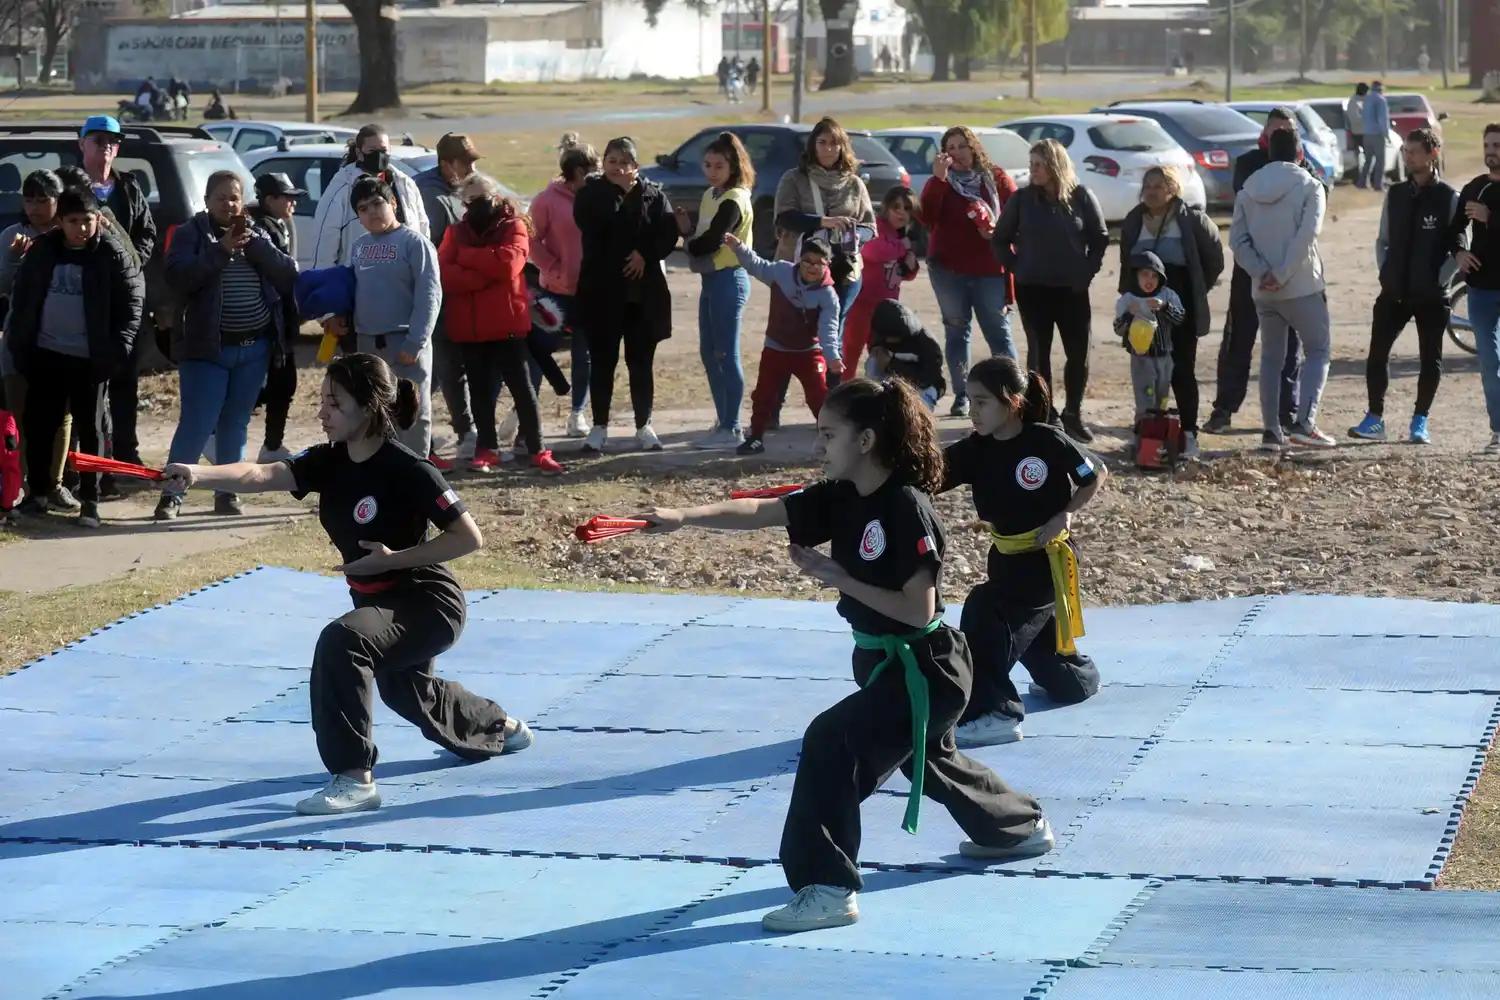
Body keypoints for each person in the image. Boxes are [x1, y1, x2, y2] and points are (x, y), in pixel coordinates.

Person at [632, 377, 1055, 932]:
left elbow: (915, 609)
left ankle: (827, 888)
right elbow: (762, 512)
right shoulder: (841, 496)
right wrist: (684, 517)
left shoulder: (906, 508)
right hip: (884, 660)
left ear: (866, 440)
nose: (819, 447)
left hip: (924, 666)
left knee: (831, 744)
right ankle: (1018, 827)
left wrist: (838, 576)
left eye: (828, 435)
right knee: (926, 756)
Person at [159, 353, 533, 816]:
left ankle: (355, 779)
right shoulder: (329, 461)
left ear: (371, 405)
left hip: (427, 604)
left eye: (334, 403)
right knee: (407, 691)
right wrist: (196, 473)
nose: (322, 412)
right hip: (377, 602)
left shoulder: (408, 468)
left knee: (342, 641)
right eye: (322, 401)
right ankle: (500, 725)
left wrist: (396, 560)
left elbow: (468, 537)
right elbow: (262, 473)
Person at [940, 356, 1104, 747]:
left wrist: (1065, 514)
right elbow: (927, 473)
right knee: (1051, 666)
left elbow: (1094, 474)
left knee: (985, 613)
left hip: (1044, 563)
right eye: (970, 400)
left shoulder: (1046, 441)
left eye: (982, 402)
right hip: (1006, 557)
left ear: (1011, 402)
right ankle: (1079, 680)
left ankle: (999, 714)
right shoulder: (974, 451)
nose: (973, 411)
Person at [157, 171, 299, 521]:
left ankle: (229, 492)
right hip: (207, 349)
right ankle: (172, 495)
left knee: (235, 423)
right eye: (220, 197)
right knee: (197, 423)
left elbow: (288, 274)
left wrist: (259, 247)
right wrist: (221, 251)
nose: (228, 203)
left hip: (253, 349)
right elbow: (179, 277)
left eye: (234, 197)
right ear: (206, 201)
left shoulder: (258, 232)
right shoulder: (191, 234)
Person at [6, 187, 144, 529]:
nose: (82, 228)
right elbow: (21, 300)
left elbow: (132, 305)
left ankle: (91, 501)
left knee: (91, 431)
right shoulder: (43, 252)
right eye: (73, 221)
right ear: (61, 222)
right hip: (46, 355)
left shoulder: (112, 254)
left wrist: (115, 352)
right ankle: (38, 494)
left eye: (87, 220)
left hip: (90, 360)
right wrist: (20, 346)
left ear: (98, 219)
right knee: (40, 427)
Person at [438, 173, 564, 475]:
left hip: (507, 324)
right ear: (464, 204)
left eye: (483, 198)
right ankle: (487, 449)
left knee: (522, 389)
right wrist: (485, 272)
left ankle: (538, 449)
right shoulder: (455, 232)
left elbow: (509, 265)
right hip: (470, 328)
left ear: (496, 197)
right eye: (471, 201)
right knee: (481, 392)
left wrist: (467, 258)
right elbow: (444, 273)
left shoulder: (515, 226)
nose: (478, 206)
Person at [990, 139, 1108, 442]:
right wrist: (1018, 267)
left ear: (1056, 164)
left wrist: (1087, 271)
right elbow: (1000, 240)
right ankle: (1046, 415)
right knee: (1039, 357)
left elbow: (1099, 237)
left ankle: (1073, 414)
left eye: (1039, 164)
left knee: (1078, 354)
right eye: (1032, 165)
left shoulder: (1081, 197)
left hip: (1072, 289)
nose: (1034, 170)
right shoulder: (1023, 200)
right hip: (1034, 290)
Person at [1350, 128, 1462, 446]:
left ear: (1432, 154)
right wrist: (1385, 272)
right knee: (1376, 356)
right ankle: (1374, 419)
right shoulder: (1395, 194)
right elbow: (1382, 240)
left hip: (1430, 296)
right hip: (1394, 292)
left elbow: (1458, 246)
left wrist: (1439, 280)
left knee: (1431, 361)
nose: (1408, 157)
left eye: (1414, 151)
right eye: (1405, 151)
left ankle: (1419, 421)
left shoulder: (1448, 198)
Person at [1205, 109, 1311, 435]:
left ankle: (1285, 411)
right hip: (1249, 269)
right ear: (1264, 134)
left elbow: (1319, 200)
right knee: (1239, 340)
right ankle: (1224, 409)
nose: (1279, 135)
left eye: (1286, 131)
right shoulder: (1249, 162)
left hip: (1290, 272)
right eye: (1275, 130)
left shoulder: (1305, 169)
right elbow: (1245, 199)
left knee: (1288, 345)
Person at [1230, 128, 1335, 451]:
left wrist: (1262, 273)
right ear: (1300, 154)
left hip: (1263, 290)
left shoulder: (1249, 188)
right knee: (1318, 350)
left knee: (1272, 358)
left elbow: (1237, 240)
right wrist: (1283, 273)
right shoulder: (1309, 186)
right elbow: (1307, 235)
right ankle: (1304, 423)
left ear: (1269, 152)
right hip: (1301, 284)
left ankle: (1271, 430)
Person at [572, 137, 679, 453]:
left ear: (636, 166)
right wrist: (622, 195)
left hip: (642, 296)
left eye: (624, 162)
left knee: (641, 362)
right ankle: (599, 428)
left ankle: (644, 426)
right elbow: (597, 228)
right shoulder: (590, 195)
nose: (617, 168)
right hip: (602, 293)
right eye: (611, 161)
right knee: (603, 362)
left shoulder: (653, 195)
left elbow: (668, 232)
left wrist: (644, 254)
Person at [770, 118, 876, 421]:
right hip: (796, 270)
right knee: (788, 336)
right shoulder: (794, 178)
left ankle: (830, 412)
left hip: (843, 273)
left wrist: (853, 236)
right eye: (822, 142)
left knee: (831, 339)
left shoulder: (854, 183)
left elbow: (871, 226)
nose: (828, 148)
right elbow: (784, 218)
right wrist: (820, 223)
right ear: (812, 145)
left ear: (843, 147)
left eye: (834, 143)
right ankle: (772, 408)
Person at [1117, 165, 1225, 459]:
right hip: (1143, 310)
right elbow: (1127, 263)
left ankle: (1189, 435)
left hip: (1179, 308)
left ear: (1174, 189)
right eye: (1147, 185)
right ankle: (1147, 433)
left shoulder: (1192, 221)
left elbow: (1214, 260)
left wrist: (1195, 290)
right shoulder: (1133, 221)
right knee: (1147, 375)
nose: (1151, 191)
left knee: (1181, 371)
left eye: (1159, 185)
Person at [78, 115, 156, 500]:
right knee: (88, 389)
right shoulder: (69, 185)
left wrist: (130, 262)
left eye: (112, 141)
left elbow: (147, 234)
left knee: (125, 385)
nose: (105, 147)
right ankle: (85, 464)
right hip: (83, 304)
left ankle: (126, 456)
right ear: (82, 145)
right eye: (97, 140)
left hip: (126, 303)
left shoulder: (128, 187)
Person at [920, 125, 1019, 416]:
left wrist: (999, 234)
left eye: (962, 146)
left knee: (999, 333)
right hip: (949, 271)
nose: (957, 153)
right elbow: (926, 216)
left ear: (974, 147)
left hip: (990, 268)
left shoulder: (996, 178)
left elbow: (1016, 215)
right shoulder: (941, 182)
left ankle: (1012, 392)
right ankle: (964, 395)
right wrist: (938, 180)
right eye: (950, 148)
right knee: (956, 332)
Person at [345, 175, 442, 460]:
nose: (372, 211)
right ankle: (379, 480)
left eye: (377, 203)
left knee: (411, 415)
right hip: (369, 344)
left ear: (393, 203)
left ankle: (415, 477)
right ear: (358, 217)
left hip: (405, 343)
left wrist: (416, 341)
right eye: (363, 208)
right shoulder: (360, 246)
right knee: (373, 414)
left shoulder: (415, 243)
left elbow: (429, 295)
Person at [0, 169, 77, 513]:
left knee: (60, 414)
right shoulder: (11, 235)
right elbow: (2, 285)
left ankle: (55, 485)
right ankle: (28, 488)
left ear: (58, 201)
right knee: (20, 413)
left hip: (63, 339)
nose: (35, 207)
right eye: (29, 199)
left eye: (43, 200)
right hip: (21, 339)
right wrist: (14, 259)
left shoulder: (72, 234)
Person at [677, 131, 755, 450]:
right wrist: (687, 232)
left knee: (726, 353)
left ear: (733, 166)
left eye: (718, 165)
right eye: (707, 164)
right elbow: (700, 236)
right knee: (709, 354)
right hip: (710, 280)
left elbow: (709, 241)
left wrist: (688, 243)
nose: (711, 171)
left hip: (729, 278)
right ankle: (723, 420)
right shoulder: (712, 195)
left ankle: (732, 426)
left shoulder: (735, 199)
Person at [729, 233, 841, 455]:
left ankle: (834, 441)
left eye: (820, 262)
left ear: (828, 265)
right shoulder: (781, 272)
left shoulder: (828, 295)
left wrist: (833, 356)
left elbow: (828, 329)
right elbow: (756, 265)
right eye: (808, 260)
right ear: (799, 260)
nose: (812, 267)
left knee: (819, 396)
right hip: (775, 348)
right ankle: (756, 437)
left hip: (808, 352)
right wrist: (738, 247)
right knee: (763, 395)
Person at [415, 132, 481, 469]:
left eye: (473, 161)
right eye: (465, 162)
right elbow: (434, 251)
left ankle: (448, 430)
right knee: (446, 366)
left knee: (446, 369)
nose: (471, 167)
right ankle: (460, 432)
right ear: (446, 163)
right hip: (434, 294)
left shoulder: (459, 188)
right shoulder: (429, 195)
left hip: (457, 294)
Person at [530, 134, 597, 439]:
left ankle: (577, 413)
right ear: (579, 172)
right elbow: (530, 240)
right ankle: (524, 411)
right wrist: (553, 268)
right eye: (592, 170)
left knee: (584, 354)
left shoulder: (598, 195)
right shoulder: (547, 200)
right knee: (538, 351)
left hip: (589, 292)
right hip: (554, 291)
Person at [311, 124, 430, 269]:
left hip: (403, 279)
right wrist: (326, 282)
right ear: (359, 153)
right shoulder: (342, 187)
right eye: (372, 151)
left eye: (383, 150)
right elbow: (325, 240)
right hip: (360, 278)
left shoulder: (405, 184)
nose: (379, 156)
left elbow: (422, 229)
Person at [249, 171, 307, 464]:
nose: (293, 204)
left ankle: (273, 445)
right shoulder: (261, 230)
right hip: (266, 322)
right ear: (269, 199)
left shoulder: (278, 226)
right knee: (259, 386)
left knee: (284, 383)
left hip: (280, 320)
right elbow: (278, 274)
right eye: (288, 197)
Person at [1450, 123, 1500, 453]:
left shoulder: (1486, 201)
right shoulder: (1475, 187)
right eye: (1487, 145)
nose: (1490, 151)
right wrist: (1459, 252)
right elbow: (1454, 229)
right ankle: (1498, 432)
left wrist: (1490, 217)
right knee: (1489, 362)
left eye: (1496, 145)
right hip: (1481, 290)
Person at [843, 185, 919, 378]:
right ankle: (839, 392)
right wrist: (902, 247)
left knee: (883, 355)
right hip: (862, 304)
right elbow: (872, 250)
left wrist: (911, 265)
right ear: (886, 208)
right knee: (849, 353)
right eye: (896, 207)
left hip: (886, 308)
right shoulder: (876, 227)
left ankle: (879, 393)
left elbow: (905, 272)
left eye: (907, 208)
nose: (901, 213)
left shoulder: (901, 235)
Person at [1115, 251, 1186, 435]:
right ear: (1136, 275)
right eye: (1145, 274)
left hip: (1164, 357)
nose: (1150, 280)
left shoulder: (1167, 295)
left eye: (1154, 276)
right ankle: (1142, 440)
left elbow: (1180, 318)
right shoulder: (1128, 299)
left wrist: (1164, 307)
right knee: (1145, 401)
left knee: (1162, 400)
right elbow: (1118, 328)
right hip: (1141, 360)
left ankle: (1159, 440)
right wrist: (1130, 315)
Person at [866, 299, 944, 410]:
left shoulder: (927, 344)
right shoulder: (881, 333)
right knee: (873, 362)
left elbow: (927, 379)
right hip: (890, 380)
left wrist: (892, 363)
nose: (888, 339)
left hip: (922, 387)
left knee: (916, 410)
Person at [1362, 81, 1392, 193]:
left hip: (1366, 134)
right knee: (1380, 161)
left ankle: (1362, 182)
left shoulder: (1367, 100)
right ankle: (1378, 184)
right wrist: (1386, 135)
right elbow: (1382, 119)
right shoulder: (1381, 100)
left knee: (1368, 160)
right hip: (1377, 134)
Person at [1347, 83, 1369, 185]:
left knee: (1366, 158)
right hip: (1358, 133)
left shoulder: (1362, 101)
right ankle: (1360, 179)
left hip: (1364, 132)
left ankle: (1364, 178)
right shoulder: (1353, 102)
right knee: (1360, 158)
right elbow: (1354, 119)